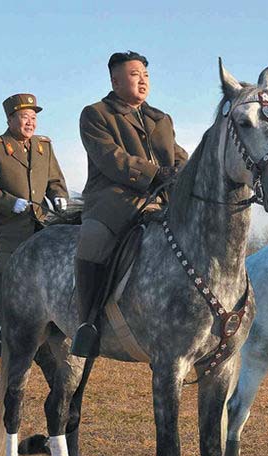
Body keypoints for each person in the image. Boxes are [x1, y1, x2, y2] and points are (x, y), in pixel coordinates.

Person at [70, 51, 188, 358]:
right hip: (113, 198)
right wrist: (155, 173)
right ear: (115, 80)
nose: (143, 80)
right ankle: (88, 323)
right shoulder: (96, 114)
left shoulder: (161, 118)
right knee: (93, 241)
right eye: (135, 74)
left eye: (146, 75)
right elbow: (111, 159)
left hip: (161, 198)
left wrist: (183, 172)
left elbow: (178, 154)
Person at [0, 93, 69, 268]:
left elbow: (55, 180)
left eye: (34, 118)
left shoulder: (44, 146)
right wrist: (10, 203)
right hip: (8, 233)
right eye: (24, 117)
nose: (30, 122)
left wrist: (59, 195)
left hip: (42, 229)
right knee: (2, 281)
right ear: (10, 120)